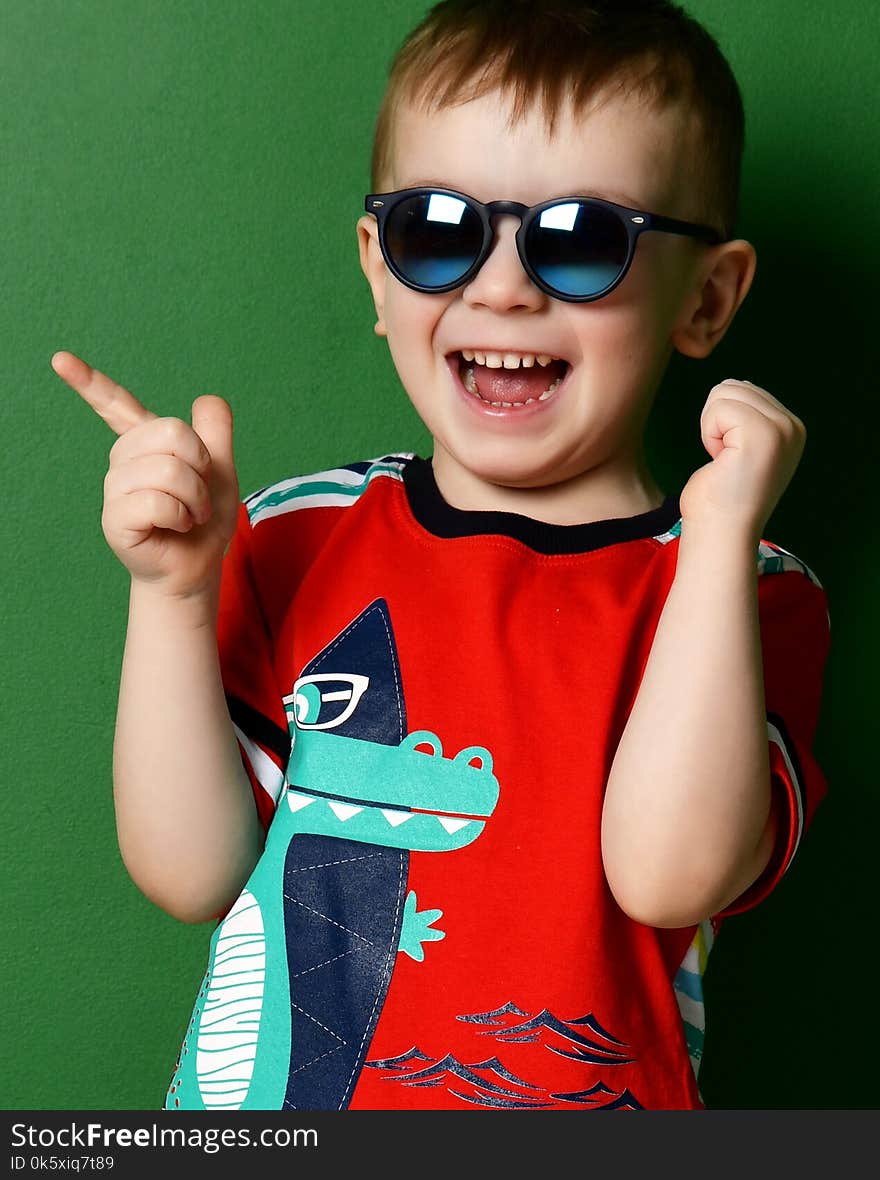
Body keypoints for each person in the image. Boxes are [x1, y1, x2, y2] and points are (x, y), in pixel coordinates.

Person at [52, 0, 830, 1111]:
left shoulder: (744, 591)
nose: (501, 285)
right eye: (437, 229)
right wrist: (173, 597)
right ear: (378, 268)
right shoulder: (295, 534)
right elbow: (189, 873)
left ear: (704, 297)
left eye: (576, 240)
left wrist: (713, 541)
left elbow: (668, 877)